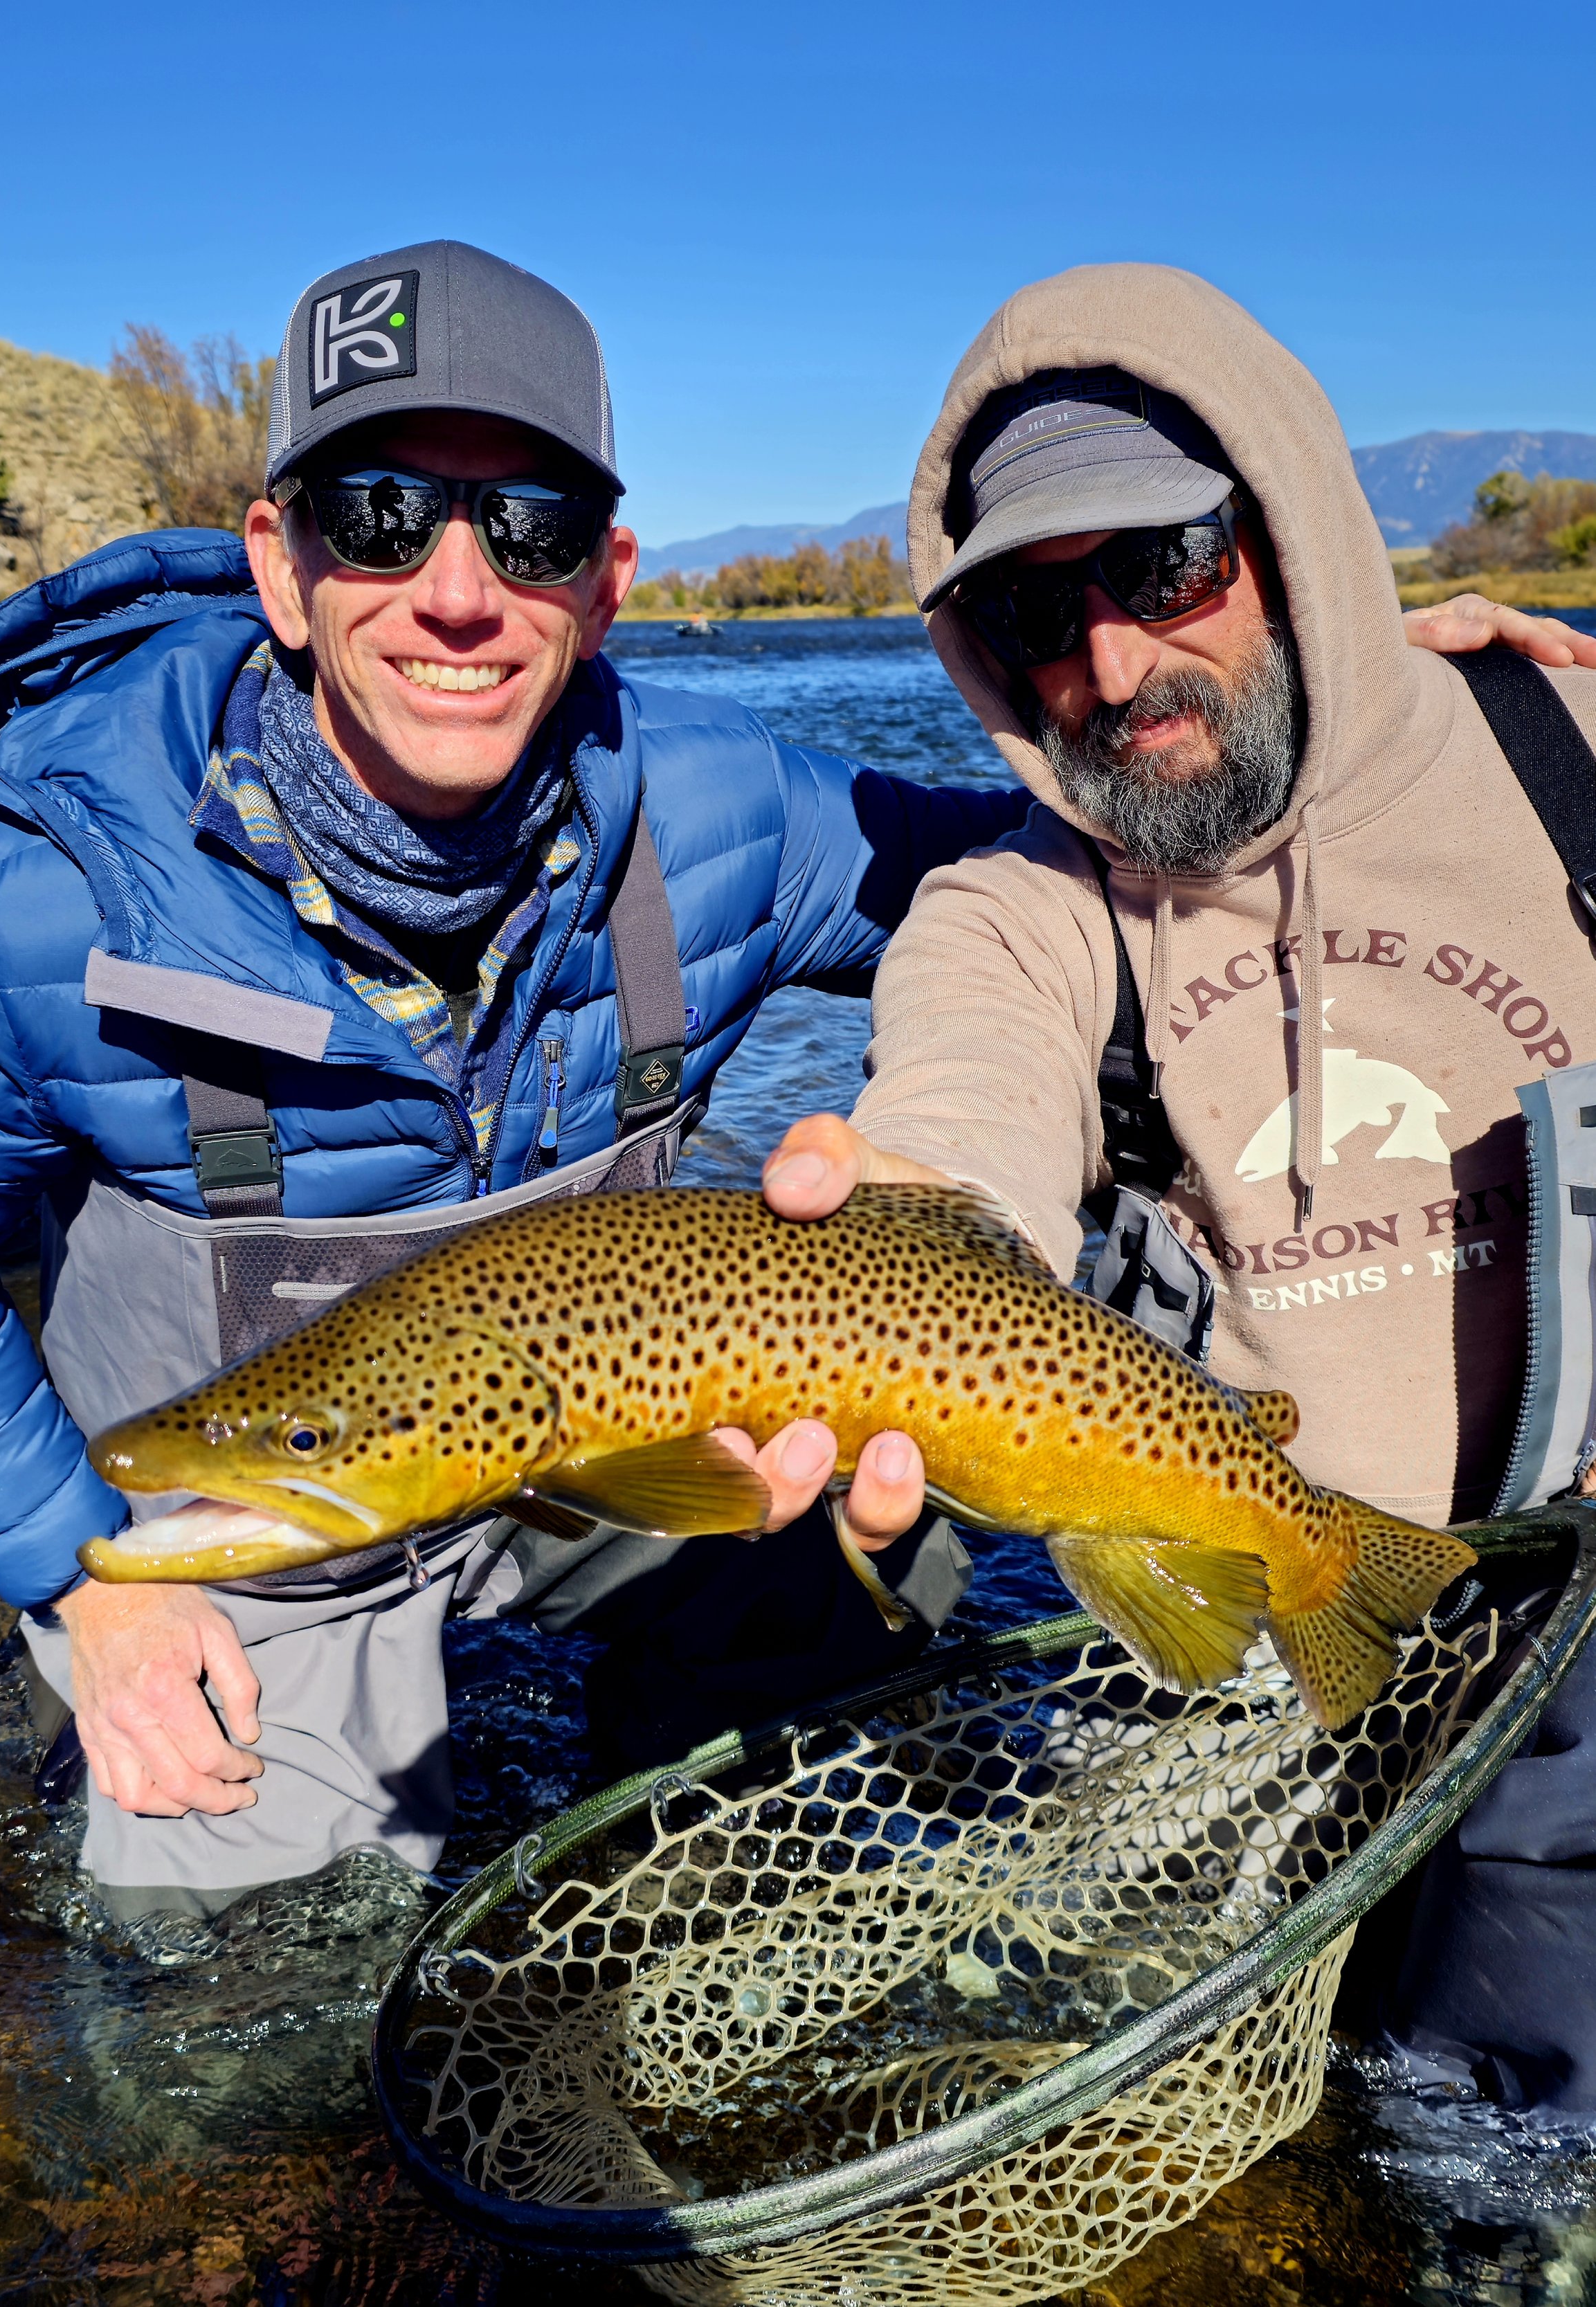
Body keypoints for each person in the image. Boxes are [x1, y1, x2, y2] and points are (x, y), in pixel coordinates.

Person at [0, 241, 1550, 1926]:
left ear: (604, 578)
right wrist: (75, 1579)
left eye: (524, 528)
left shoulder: (727, 810)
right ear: (278, 562)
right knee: (230, 2003)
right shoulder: (4, 909)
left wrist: (1352, 701)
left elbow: (1092, 868)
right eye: (380, 513)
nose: (456, 590)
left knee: (812, 1764)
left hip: (605, 1449)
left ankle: (690, 1877)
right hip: (269, 1517)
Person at [760, 261, 1596, 2116]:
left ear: (1290, 543)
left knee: (1507, 2167)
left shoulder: (1564, 752)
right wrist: (908, 1219)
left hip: (1581, 1631)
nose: (1112, 666)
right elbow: (961, 1095)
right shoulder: (1017, 902)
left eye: (1164, 567)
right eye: (1035, 610)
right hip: (1221, 1636)